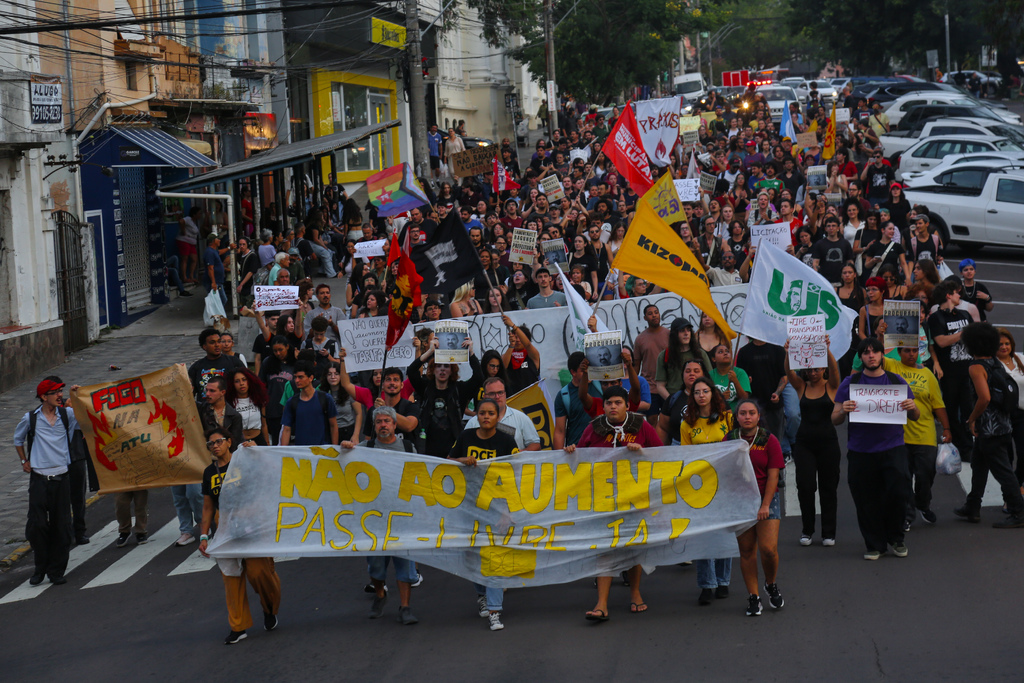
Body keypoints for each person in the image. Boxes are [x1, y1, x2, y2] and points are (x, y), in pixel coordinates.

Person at [565, 386, 662, 621]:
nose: (613, 407)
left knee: (633, 545)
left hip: (635, 497)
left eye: (618, 402)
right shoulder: (594, 427)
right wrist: (571, 451)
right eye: (609, 403)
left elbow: (663, 456)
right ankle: (601, 603)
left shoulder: (642, 426)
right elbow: (580, 456)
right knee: (606, 548)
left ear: (627, 406)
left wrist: (642, 452)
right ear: (604, 406)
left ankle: (636, 593)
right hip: (604, 498)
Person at [832, 338, 920, 559]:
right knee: (865, 498)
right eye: (866, 353)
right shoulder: (850, 383)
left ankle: (896, 538)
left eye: (874, 352)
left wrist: (912, 406)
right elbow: (835, 419)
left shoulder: (896, 380)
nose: (870, 356)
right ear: (860, 358)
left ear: (882, 355)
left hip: (893, 448)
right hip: (861, 450)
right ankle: (874, 544)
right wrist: (843, 410)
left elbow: (915, 415)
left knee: (899, 493)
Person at [198, 427, 281, 644]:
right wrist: (204, 536)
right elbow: (207, 507)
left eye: (218, 441)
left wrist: (258, 453)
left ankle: (269, 608)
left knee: (259, 573)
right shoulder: (209, 473)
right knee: (231, 579)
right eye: (211, 444)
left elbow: (272, 473)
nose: (215, 446)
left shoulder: (245, 460)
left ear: (229, 442)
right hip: (226, 532)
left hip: (253, 528)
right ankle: (238, 626)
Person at [341, 407, 420, 625]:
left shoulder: (407, 447)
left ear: (395, 425)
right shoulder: (365, 448)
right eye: (378, 422)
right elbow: (345, 467)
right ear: (374, 426)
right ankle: (380, 594)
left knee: (404, 564)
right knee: (376, 567)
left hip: (401, 517)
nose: (383, 425)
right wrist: (346, 450)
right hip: (373, 519)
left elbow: (418, 476)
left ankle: (405, 607)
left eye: (387, 421)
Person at [448, 399, 521, 630]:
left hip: (496, 509)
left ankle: (494, 610)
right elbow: (448, 462)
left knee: (494, 559)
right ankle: (481, 594)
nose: (486, 417)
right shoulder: (466, 437)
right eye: (482, 413)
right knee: (473, 556)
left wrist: (507, 512)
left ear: (498, 416)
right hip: (469, 507)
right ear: (476, 416)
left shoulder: (507, 441)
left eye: (491, 413)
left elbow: (515, 477)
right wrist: (462, 460)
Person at [954, 323, 1024, 528]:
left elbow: (984, 398)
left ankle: (1018, 511)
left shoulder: (976, 367)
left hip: (989, 427)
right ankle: (972, 506)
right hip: (1003, 423)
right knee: (979, 465)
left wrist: (972, 418)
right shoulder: (994, 362)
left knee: (1003, 471)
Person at [13, 378, 79, 585]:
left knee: (62, 526)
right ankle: (40, 568)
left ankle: (56, 571)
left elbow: (89, 413)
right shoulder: (30, 418)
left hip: (62, 478)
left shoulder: (67, 415)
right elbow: (17, 439)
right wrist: (24, 460)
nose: (60, 395)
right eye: (55, 392)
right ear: (43, 397)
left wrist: (77, 397)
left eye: (61, 391)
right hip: (39, 479)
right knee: (37, 525)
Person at [729, 399, 785, 616]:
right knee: (746, 551)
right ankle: (753, 596)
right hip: (740, 501)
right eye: (742, 413)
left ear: (758, 415)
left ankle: (770, 583)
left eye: (752, 412)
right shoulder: (730, 440)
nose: (747, 417)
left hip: (766, 499)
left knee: (768, 550)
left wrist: (765, 505)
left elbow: (773, 474)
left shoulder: (769, 440)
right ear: (737, 417)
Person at [680, 377, 734, 603]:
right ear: (692, 397)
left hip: (725, 482)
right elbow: (684, 456)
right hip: (700, 486)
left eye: (705, 391)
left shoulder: (727, 418)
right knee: (703, 533)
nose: (701, 395)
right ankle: (706, 584)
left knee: (724, 531)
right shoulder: (687, 424)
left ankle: (723, 581)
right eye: (696, 392)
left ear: (713, 393)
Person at [885, 344, 950, 529]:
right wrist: (881, 335)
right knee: (904, 478)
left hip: (926, 435)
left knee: (925, 475)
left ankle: (923, 504)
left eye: (914, 351)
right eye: (906, 350)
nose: (911, 354)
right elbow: (875, 355)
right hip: (899, 437)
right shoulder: (893, 367)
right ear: (899, 353)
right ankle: (907, 514)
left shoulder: (928, 375)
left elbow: (938, 404)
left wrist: (946, 429)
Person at [785, 339, 842, 546]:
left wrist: (826, 349)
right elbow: (790, 374)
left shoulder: (832, 386)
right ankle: (807, 530)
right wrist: (788, 353)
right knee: (805, 487)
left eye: (817, 369)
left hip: (828, 442)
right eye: (809, 369)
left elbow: (835, 371)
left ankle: (828, 532)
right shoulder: (801, 386)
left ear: (823, 369)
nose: (813, 372)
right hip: (805, 443)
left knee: (829, 487)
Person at [407, 336, 481, 457]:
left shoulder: (459, 390)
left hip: (453, 452)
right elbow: (411, 371)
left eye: (446, 366)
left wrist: (471, 353)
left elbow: (478, 378)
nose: (442, 370)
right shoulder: (425, 388)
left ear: (452, 370)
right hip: (427, 450)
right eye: (438, 366)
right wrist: (429, 352)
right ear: (433, 369)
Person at [929, 280, 975, 462]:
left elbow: (974, 336)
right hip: (949, 373)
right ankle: (960, 445)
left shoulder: (964, 313)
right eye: (956, 293)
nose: (959, 296)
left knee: (968, 409)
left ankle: (968, 446)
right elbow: (940, 341)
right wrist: (963, 333)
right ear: (948, 295)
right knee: (951, 410)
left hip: (968, 370)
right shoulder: (936, 318)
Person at [465, 377, 542, 451]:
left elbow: (536, 444)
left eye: (500, 392)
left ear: (505, 394)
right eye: (492, 393)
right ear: (485, 396)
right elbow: (463, 447)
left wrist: (519, 453)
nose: (497, 397)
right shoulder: (473, 422)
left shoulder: (521, 418)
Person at [280, 361, 339, 446]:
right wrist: (283, 453)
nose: (297, 380)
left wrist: (334, 449)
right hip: (301, 453)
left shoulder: (325, 398)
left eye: (301, 377)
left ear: (311, 378)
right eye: (295, 377)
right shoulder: (292, 402)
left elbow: (333, 426)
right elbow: (286, 429)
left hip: (323, 451)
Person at [655, 318, 712, 401]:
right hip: (674, 398)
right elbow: (660, 386)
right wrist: (672, 401)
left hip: (698, 399)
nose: (686, 333)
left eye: (688, 330)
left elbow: (710, 379)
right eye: (682, 331)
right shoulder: (664, 355)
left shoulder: (700, 354)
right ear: (674, 334)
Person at [189, 328, 245, 401]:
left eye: (219, 341)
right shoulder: (196, 367)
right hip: (205, 410)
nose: (217, 345)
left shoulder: (234, 362)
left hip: (230, 409)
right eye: (212, 342)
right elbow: (190, 394)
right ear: (204, 346)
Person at [197, 376, 244, 456]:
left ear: (222, 392)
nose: (207, 394)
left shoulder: (235, 416)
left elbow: (235, 443)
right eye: (206, 390)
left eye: (212, 391)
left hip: (226, 459)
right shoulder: (201, 409)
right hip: (206, 458)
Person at [227, 367, 271, 446]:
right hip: (239, 441)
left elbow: (264, 425)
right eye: (237, 381)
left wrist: (267, 444)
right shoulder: (229, 402)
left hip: (258, 439)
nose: (241, 383)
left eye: (244, 379)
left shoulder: (259, 399)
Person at [501, 314, 541, 395]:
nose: (518, 340)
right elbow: (503, 367)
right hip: (513, 400)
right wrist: (511, 346)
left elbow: (528, 345)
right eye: (515, 337)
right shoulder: (507, 355)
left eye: (520, 337)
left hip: (532, 397)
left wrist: (512, 325)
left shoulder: (533, 355)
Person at [709, 344, 750, 413]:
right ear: (713, 359)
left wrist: (735, 381)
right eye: (720, 352)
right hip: (717, 415)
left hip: (737, 415)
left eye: (727, 351)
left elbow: (745, 399)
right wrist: (720, 398)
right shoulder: (710, 375)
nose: (725, 353)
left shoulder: (740, 373)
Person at [958, 259, 994, 323]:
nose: (969, 272)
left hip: (979, 321)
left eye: (971, 269)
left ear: (975, 271)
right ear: (961, 273)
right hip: (962, 321)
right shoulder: (958, 287)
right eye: (966, 270)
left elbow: (989, 308)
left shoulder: (980, 287)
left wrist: (987, 298)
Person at [177, 206, 202, 283]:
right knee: (185, 259)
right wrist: (183, 230)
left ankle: (191, 276)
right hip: (184, 241)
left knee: (194, 259)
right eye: (199, 213)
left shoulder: (194, 222)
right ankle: (184, 277)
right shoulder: (188, 219)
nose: (200, 215)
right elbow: (181, 221)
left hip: (192, 242)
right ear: (194, 214)